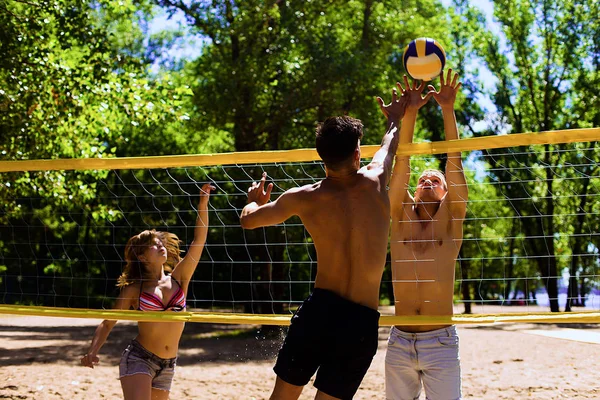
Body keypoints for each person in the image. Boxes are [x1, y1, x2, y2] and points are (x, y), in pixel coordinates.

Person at [239, 88, 408, 400]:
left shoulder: (303, 197)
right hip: (359, 320)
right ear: (357, 155)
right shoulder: (375, 180)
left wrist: (252, 202)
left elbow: (248, 221)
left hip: (320, 310)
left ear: (322, 157)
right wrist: (395, 116)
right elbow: (390, 144)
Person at [80, 183, 214, 400]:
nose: (160, 245)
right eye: (153, 244)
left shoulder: (179, 278)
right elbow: (108, 322)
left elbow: (199, 240)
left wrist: (202, 204)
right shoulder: (135, 289)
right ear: (142, 257)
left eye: (159, 241)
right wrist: (93, 351)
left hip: (169, 364)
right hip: (140, 358)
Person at [385, 70, 468, 400]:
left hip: (440, 341)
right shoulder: (400, 218)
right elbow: (400, 164)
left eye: (436, 180)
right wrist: (411, 113)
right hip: (399, 340)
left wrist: (447, 109)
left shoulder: (451, 222)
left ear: (447, 192)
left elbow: (454, 160)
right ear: (413, 192)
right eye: (422, 180)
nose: (428, 182)